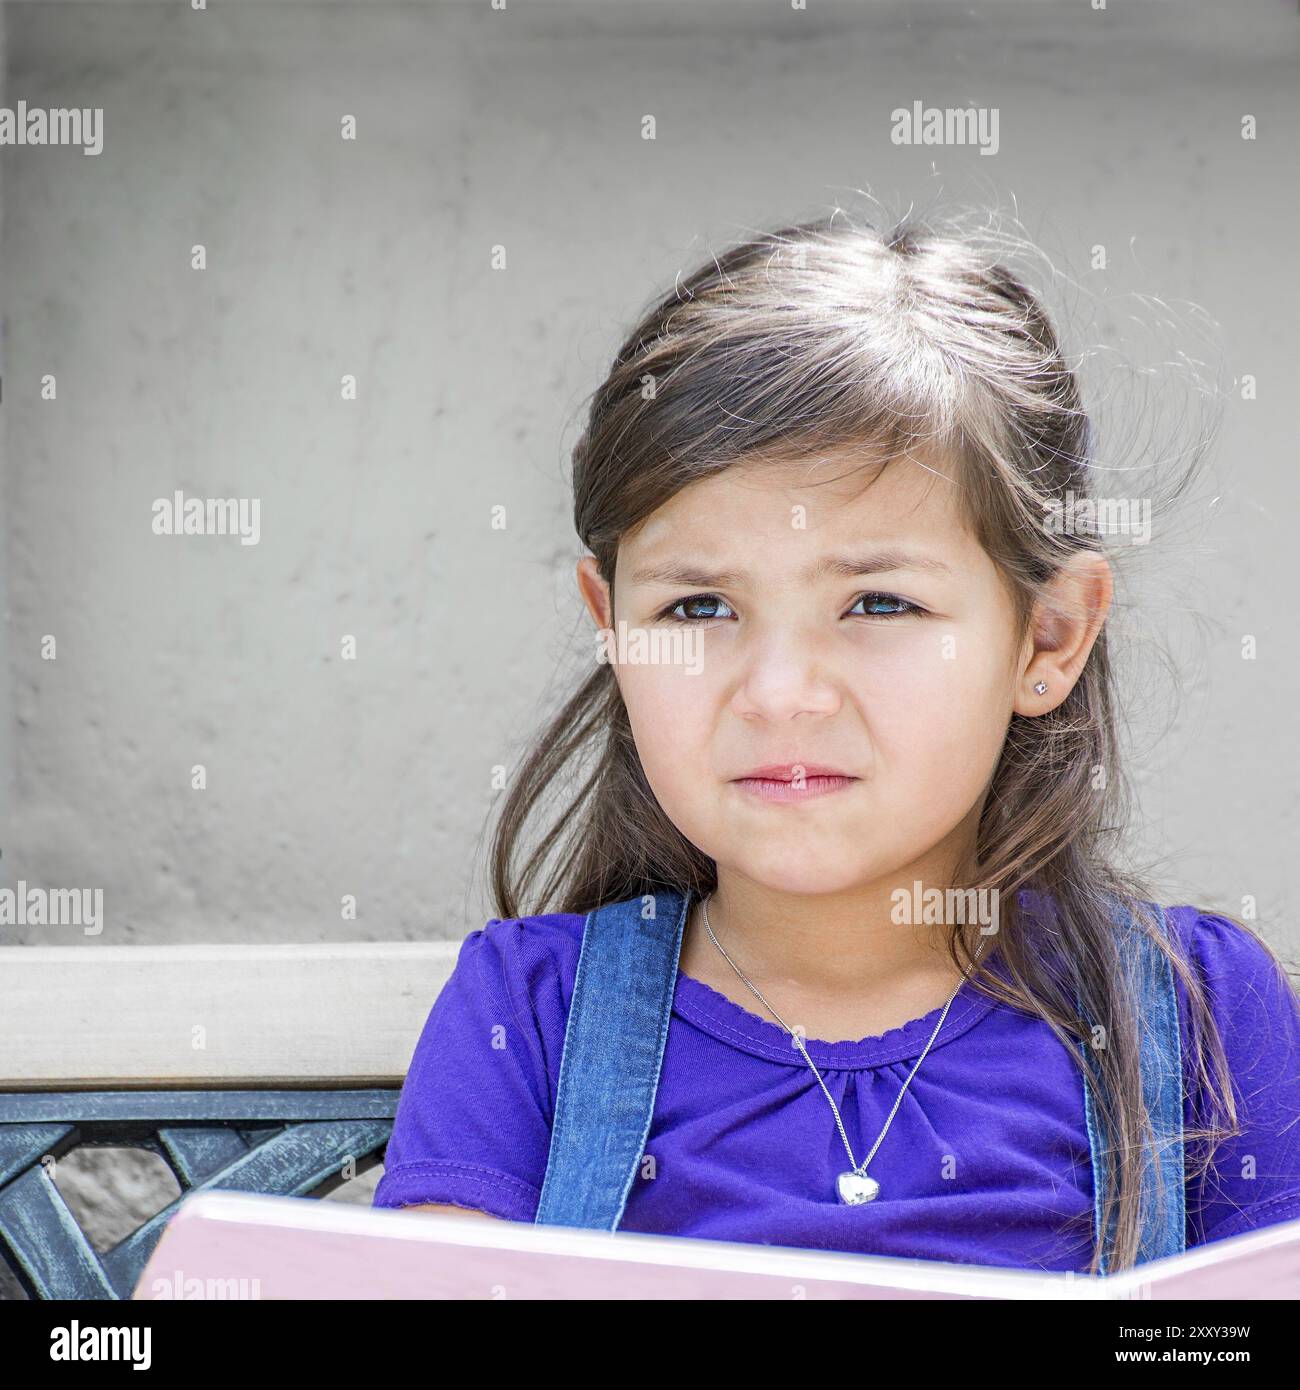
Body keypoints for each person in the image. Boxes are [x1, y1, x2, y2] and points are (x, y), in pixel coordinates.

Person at [372, 207, 1300, 1276]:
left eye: (877, 604)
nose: (779, 694)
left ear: (1046, 635)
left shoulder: (1198, 1014)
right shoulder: (528, 1013)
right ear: (612, 628)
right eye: (697, 609)